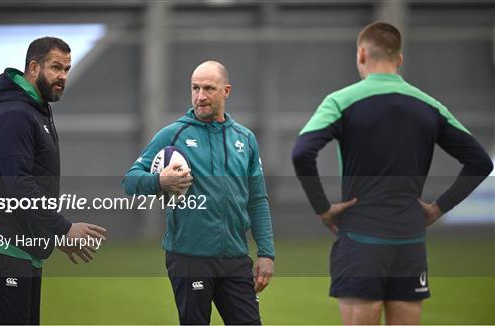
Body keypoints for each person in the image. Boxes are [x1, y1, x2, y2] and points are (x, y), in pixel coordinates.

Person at [292, 22, 493, 325]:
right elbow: (481, 162)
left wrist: (323, 208)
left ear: (361, 54)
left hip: (361, 240)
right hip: (409, 242)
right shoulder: (429, 106)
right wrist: (438, 208)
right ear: (398, 59)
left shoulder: (340, 101)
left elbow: (301, 152)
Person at [0, 36, 107, 325]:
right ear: (33, 67)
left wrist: (51, 233)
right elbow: (18, 185)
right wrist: (62, 228)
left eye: (66, 69)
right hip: (2, 247)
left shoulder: (36, 109)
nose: (63, 76)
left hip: (22, 246)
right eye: (56, 67)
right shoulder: (15, 114)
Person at [124, 60, 275, 325]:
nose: (200, 96)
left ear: (226, 91)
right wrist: (160, 181)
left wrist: (266, 253)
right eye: (195, 88)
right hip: (189, 258)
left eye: (208, 88)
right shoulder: (173, 134)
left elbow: (257, 199)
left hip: (235, 258)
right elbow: (130, 181)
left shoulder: (245, 139)